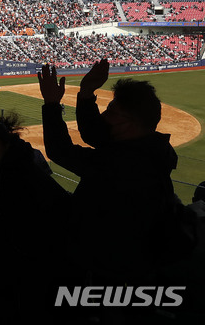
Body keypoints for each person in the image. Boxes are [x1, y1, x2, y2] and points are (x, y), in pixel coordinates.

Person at [38, 60, 182, 284]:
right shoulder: (147, 146)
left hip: (111, 268)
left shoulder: (128, 165)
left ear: (131, 123)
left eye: (112, 112)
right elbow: (96, 135)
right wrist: (86, 92)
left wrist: (51, 104)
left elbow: (61, 151)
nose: (104, 116)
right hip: (118, 260)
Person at [0, 114, 70, 324]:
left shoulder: (16, 172)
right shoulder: (4, 166)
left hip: (35, 262)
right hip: (24, 257)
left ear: (4, 146)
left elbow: (26, 215)